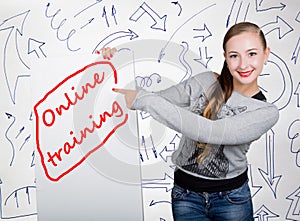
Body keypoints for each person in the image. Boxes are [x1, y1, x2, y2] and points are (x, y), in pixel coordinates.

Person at [105, 22, 279, 221]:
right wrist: (116, 64)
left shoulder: (265, 112)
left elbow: (211, 131)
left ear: (266, 54)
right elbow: (156, 99)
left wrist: (144, 99)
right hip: (185, 197)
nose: (243, 64)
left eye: (252, 54)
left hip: (231, 201)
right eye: (234, 55)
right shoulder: (205, 82)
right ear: (225, 57)